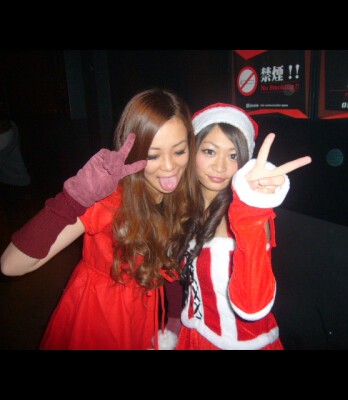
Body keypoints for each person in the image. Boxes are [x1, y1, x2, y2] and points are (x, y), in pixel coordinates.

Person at [0, 88, 202, 350]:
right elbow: (11, 265)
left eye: (179, 151)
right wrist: (74, 198)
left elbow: (171, 265)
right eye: (153, 155)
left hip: (143, 318)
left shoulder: (180, 198)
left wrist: (174, 319)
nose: (169, 166)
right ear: (133, 152)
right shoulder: (110, 201)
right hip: (98, 318)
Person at [169, 103, 312, 350]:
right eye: (210, 151)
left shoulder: (247, 217)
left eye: (233, 156)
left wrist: (252, 212)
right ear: (192, 151)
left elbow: (252, 305)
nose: (220, 166)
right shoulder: (185, 208)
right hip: (193, 336)